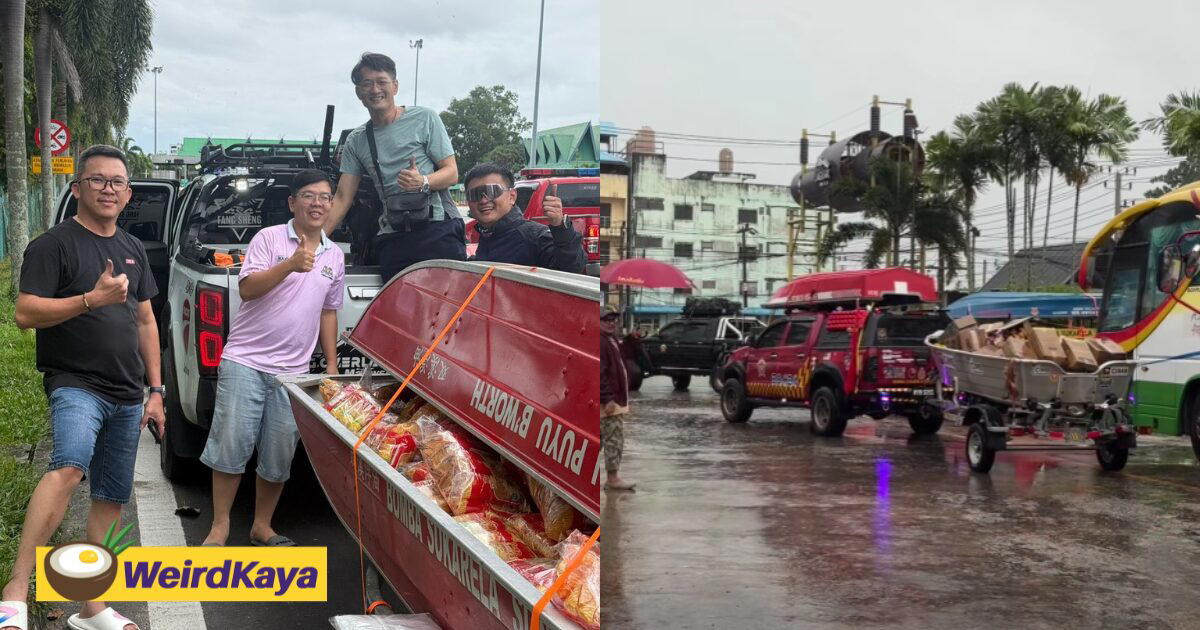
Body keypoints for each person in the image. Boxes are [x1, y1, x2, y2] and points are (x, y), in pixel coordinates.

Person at [1, 144, 162, 630]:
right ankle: (14, 590)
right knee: (68, 468)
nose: (109, 188)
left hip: (128, 390)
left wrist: (156, 391)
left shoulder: (132, 249)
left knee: (110, 497)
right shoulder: (54, 244)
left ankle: (90, 607)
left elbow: (146, 320)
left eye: (117, 182)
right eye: (98, 180)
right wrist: (91, 299)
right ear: (78, 188)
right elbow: (25, 313)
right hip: (76, 383)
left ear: (128, 193)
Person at [199, 169, 344, 548]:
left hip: (293, 373)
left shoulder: (335, 255)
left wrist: (329, 368)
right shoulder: (268, 239)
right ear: (292, 202)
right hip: (246, 361)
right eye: (309, 196)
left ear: (331, 205)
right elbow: (247, 290)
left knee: (279, 455)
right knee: (231, 447)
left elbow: (329, 312)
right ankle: (220, 526)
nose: (317, 203)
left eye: (325, 197)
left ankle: (262, 526)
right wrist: (290, 265)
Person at [325, 52, 464, 281]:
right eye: (367, 83)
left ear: (395, 86)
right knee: (399, 311)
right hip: (393, 237)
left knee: (447, 309)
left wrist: (424, 181)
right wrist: (316, 240)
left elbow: (451, 172)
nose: (375, 89)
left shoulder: (425, 118)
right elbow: (342, 197)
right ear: (359, 92)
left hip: (437, 230)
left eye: (382, 82)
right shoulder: (357, 140)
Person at [464, 163, 586, 273]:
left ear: (512, 196)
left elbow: (572, 268)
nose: (483, 200)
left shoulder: (534, 236)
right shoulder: (486, 235)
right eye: (474, 194)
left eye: (492, 191)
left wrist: (560, 226)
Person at [600, 307, 636, 490]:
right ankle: (612, 479)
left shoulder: (611, 339)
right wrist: (607, 398)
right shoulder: (600, 341)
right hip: (608, 402)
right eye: (607, 320)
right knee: (614, 439)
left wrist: (632, 340)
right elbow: (600, 373)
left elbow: (624, 361)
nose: (611, 322)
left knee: (601, 439)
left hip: (615, 399)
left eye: (613, 320)